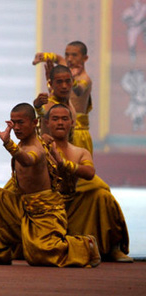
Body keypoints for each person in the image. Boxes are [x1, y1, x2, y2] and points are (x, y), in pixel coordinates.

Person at [0, 103, 100, 267]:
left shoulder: (36, 147)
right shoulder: (24, 143)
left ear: (34, 123)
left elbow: (27, 160)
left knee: (39, 255)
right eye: (13, 123)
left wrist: (8, 143)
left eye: (21, 123)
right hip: (21, 205)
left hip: (44, 210)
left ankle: (85, 245)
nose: (16, 127)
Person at [44, 104, 132, 262]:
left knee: (103, 196)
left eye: (64, 119)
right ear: (47, 123)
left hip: (75, 206)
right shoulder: (39, 147)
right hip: (46, 207)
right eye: (55, 119)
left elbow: (90, 173)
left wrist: (63, 163)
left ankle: (113, 247)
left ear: (72, 123)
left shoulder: (80, 151)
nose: (60, 123)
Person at [33, 42, 94, 153]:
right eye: (67, 55)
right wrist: (44, 56)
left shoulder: (85, 79)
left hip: (78, 132)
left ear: (85, 58)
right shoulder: (64, 72)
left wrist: (71, 79)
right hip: (58, 132)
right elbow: (58, 58)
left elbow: (79, 90)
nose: (69, 59)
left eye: (74, 55)